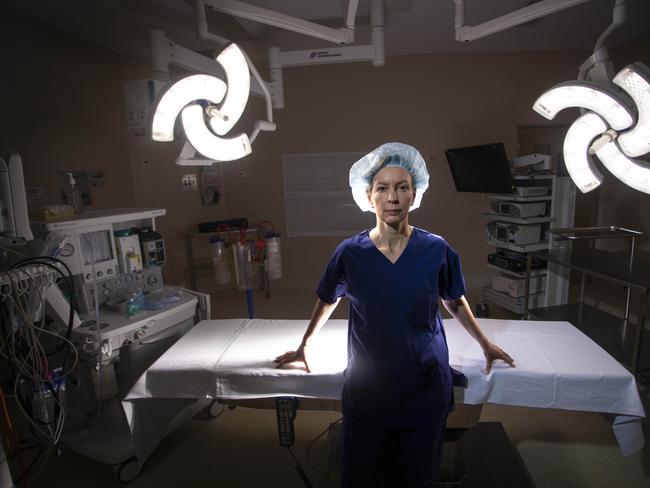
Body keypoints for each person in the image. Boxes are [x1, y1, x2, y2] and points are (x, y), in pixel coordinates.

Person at [275, 142, 514, 487]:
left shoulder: (436, 249)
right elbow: (328, 299)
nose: (392, 197)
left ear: (414, 195)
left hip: (424, 384)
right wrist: (304, 345)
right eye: (382, 188)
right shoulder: (350, 253)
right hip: (367, 388)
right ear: (368, 197)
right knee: (358, 476)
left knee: (417, 477)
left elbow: (455, 300)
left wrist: (485, 343)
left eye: (402, 187)